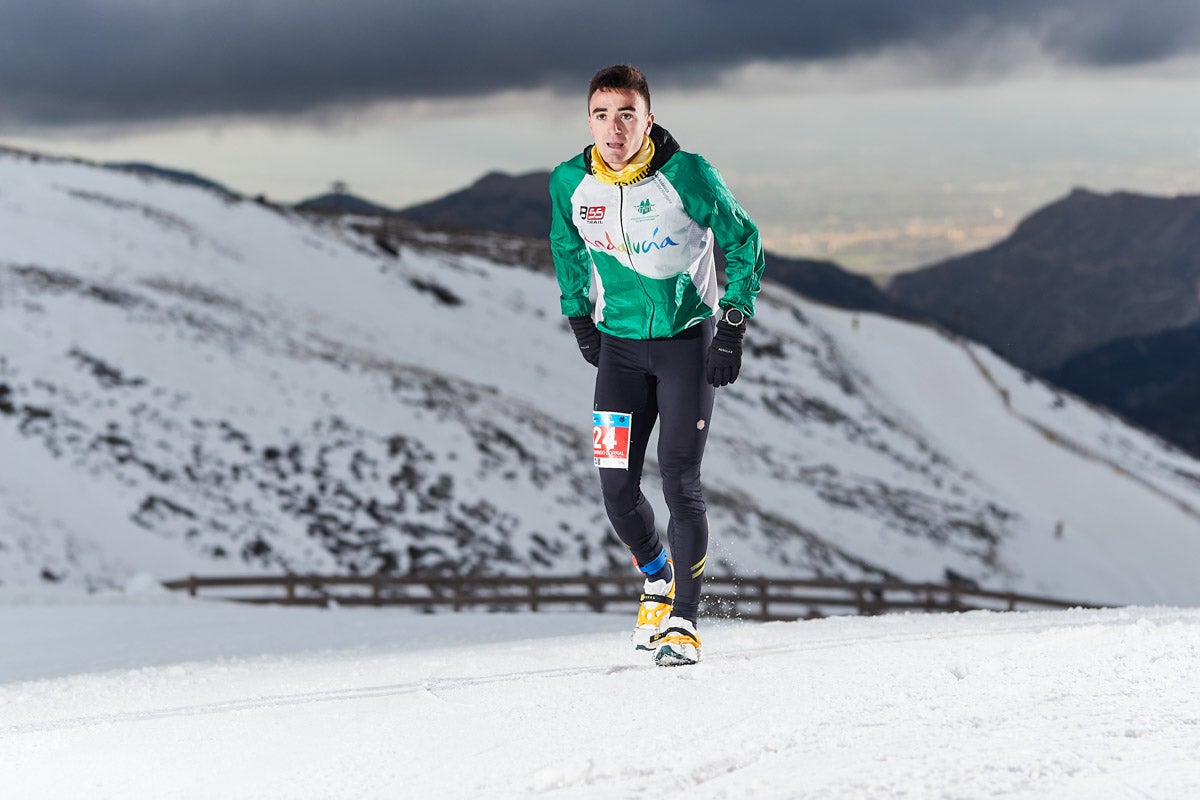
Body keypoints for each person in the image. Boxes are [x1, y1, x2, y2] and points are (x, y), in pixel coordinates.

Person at [549, 64, 765, 666]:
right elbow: (566, 245)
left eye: (626, 114)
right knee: (615, 486)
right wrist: (578, 317)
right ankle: (655, 575)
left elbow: (743, 239)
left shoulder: (687, 174)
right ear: (587, 119)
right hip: (617, 353)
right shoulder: (570, 181)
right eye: (600, 115)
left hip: (684, 349)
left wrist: (733, 322)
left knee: (679, 481)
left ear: (648, 117)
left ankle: (684, 622)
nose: (613, 129)